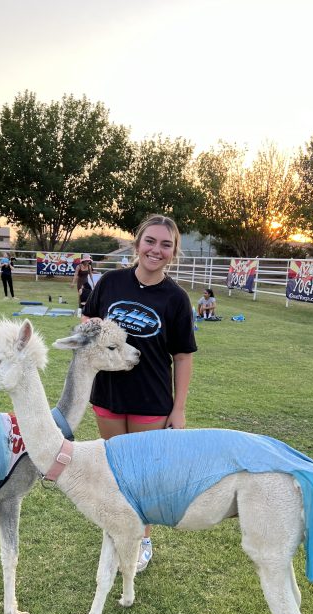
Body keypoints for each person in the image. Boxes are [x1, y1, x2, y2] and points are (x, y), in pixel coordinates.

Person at [83, 214, 197, 572]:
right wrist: (94, 329)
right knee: (116, 471)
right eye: (150, 241)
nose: (156, 250)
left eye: (166, 244)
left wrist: (179, 409)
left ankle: (142, 538)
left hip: (152, 400)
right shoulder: (111, 282)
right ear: (137, 243)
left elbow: (182, 356)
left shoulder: (176, 298)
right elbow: (88, 321)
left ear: (173, 251)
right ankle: (119, 531)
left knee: (144, 477)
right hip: (108, 395)